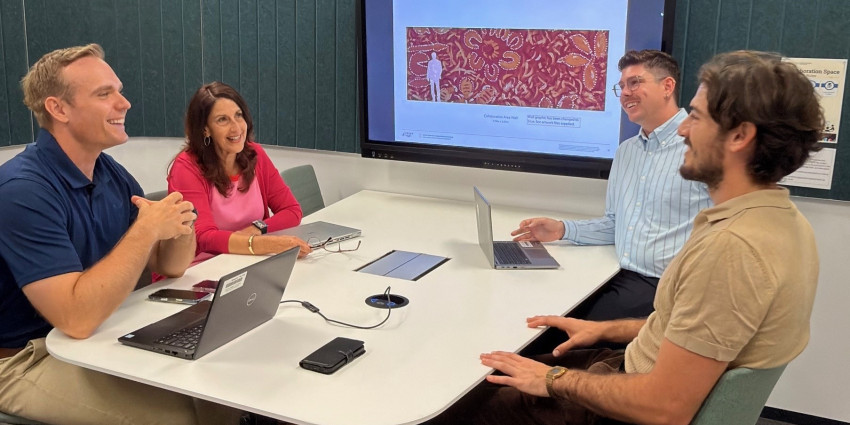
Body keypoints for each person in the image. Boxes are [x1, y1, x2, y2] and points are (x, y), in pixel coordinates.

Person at [433, 50, 823, 425]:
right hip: (632, 367)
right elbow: (682, 331)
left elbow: (664, 408)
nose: (683, 129)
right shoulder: (783, 223)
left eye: (697, 117)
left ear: (739, 136)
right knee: (500, 371)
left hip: (628, 403)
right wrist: (602, 330)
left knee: (457, 406)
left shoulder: (731, 250)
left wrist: (553, 380)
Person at [0, 44, 242, 424]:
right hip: (25, 357)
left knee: (221, 394)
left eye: (119, 90)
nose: (124, 103)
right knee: (177, 418)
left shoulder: (108, 172)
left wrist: (180, 224)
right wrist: (146, 229)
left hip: (101, 330)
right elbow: (75, 318)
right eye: (104, 94)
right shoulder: (22, 190)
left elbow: (170, 265)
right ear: (58, 109)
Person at [513, 50, 711, 322]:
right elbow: (616, 224)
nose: (625, 93)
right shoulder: (626, 151)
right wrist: (562, 229)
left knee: (551, 329)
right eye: (622, 86)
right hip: (619, 275)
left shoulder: (703, 148)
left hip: (668, 289)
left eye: (635, 83)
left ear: (667, 86)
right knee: (538, 303)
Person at [168, 82, 312, 263]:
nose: (236, 128)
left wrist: (256, 229)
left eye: (238, 115)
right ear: (205, 129)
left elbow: (292, 210)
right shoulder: (186, 168)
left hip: (247, 260)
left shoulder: (255, 154)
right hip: (202, 267)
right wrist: (269, 244)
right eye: (222, 120)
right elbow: (203, 237)